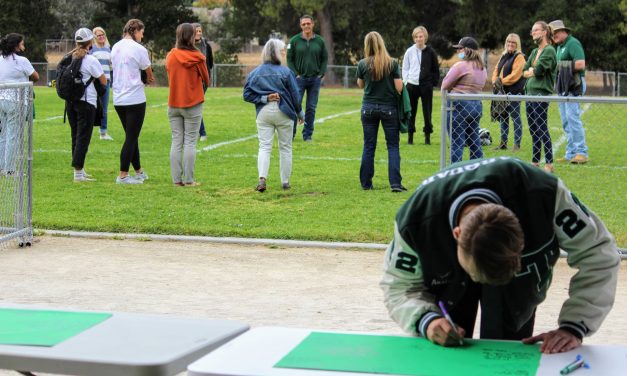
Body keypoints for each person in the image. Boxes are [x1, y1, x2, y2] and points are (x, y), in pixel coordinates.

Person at [381, 156, 620, 354]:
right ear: (456, 234)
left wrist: (574, 326)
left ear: (521, 238)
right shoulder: (416, 220)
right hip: (445, 277)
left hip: (517, 283)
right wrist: (426, 320)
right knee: (446, 344)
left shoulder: (544, 194)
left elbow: (599, 254)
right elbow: (399, 286)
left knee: (506, 350)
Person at [244, 39, 304, 192]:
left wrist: (264, 98)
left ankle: (262, 179)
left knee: (264, 146)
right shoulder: (286, 72)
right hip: (284, 111)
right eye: (283, 50)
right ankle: (285, 182)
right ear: (277, 53)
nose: (284, 53)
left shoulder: (254, 73)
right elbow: (295, 95)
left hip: (263, 112)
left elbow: (247, 95)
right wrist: (299, 112)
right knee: (285, 148)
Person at [356, 31, 405, 193]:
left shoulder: (362, 64)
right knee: (392, 146)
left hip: (368, 108)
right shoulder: (392, 63)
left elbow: (360, 85)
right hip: (388, 108)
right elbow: (399, 87)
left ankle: (366, 183)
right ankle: (395, 183)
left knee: (369, 146)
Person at [165, 23, 210, 187]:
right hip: (193, 103)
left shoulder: (171, 55)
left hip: (174, 103)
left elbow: (169, 73)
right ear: (191, 37)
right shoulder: (198, 57)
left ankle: (177, 180)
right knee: (190, 141)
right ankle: (189, 180)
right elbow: (207, 79)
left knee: (176, 141)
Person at [111, 18, 154, 184]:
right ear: (135, 31)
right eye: (141, 33)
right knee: (131, 137)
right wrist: (149, 79)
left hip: (118, 98)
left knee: (131, 135)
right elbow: (148, 73)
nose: (142, 37)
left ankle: (138, 171)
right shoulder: (139, 49)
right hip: (135, 98)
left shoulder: (115, 47)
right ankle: (123, 175)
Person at [66, 28, 106, 182]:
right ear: (90, 42)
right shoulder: (91, 60)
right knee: (83, 137)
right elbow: (103, 80)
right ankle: (78, 174)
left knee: (75, 136)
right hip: (86, 102)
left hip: (70, 102)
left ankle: (80, 170)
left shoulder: (69, 57)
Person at [441, 37, 487, 164]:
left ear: (467, 50)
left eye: (460, 49)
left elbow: (445, 84)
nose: (458, 51)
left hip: (459, 106)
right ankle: (477, 168)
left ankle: (456, 170)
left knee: (457, 142)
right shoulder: (482, 68)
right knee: (474, 141)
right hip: (476, 106)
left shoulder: (461, 66)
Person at [549, 20, 588, 165]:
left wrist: (558, 65)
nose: (554, 36)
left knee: (573, 118)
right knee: (565, 120)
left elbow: (580, 64)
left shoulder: (573, 43)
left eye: (555, 33)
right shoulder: (559, 47)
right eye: (552, 34)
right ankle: (570, 153)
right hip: (563, 86)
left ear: (563, 31)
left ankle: (581, 152)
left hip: (574, 84)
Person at [0, 33, 39, 176]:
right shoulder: (22, 60)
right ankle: (10, 169)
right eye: (22, 44)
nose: (24, 47)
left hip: (1, 99)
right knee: (12, 135)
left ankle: (2, 166)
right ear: (16, 46)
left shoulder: (0, 60)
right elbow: (35, 76)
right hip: (16, 100)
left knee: (3, 134)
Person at [287, 14, 328, 142]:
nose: (306, 26)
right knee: (295, 106)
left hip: (315, 80)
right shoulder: (294, 41)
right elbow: (289, 59)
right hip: (298, 80)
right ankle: (290, 134)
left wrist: (321, 74)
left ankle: (307, 135)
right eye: (303, 24)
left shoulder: (320, 41)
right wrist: (296, 74)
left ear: (313, 24)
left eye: (308, 23)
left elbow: (324, 59)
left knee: (311, 108)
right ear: (301, 26)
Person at [523, 21, 557, 174]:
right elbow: (525, 71)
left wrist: (532, 70)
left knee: (541, 128)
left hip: (541, 94)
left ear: (544, 32)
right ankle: (535, 161)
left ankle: (549, 163)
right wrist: (531, 70)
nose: (533, 33)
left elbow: (539, 70)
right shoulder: (533, 51)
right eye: (532, 30)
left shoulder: (549, 50)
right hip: (529, 94)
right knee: (533, 129)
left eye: (536, 30)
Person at [401, 26, 440, 145]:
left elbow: (435, 69)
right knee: (411, 112)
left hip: (426, 86)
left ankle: (427, 137)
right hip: (412, 85)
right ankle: (410, 136)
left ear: (425, 38)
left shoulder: (431, 52)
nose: (419, 39)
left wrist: (432, 82)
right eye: (417, 37)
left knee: (427, 112)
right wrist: (406, 82)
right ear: (414, 38)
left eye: (421, 36)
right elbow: (405, 68)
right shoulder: (409, 51)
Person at [491, 33, 526, 152]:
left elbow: (515, 75)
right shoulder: (504, 55)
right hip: (502, 92)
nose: (510, 44)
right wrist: (494, 81)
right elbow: (496, 69)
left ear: (517, 44)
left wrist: (500, 81)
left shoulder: (519, 57)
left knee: (515, 117)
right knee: (503, 116)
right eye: (508, 42)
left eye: (513, 43)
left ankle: (517, 144)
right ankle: (503, 143)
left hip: (514, 92)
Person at [91, 26, 113, 141]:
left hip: (106, 82)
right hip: (94, 83)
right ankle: (88, 130)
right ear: (94, 37)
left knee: (104, 108)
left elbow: (111, 66)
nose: (101, 37)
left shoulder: (108, 49)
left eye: (102, 34)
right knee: (90, 107)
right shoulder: (92, 49)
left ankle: (103, 133)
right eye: (98, 35)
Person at [192, 22, 213, 142]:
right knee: (193, 106)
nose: (199, 33)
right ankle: (199, 132)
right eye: (197, 31)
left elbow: (210, 63)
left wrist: (206, 77)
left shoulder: (206, 46)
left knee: (195, 105)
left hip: (203, 81)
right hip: (190, 80)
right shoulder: (187, 45)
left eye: (200, 31)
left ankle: (201, 133)